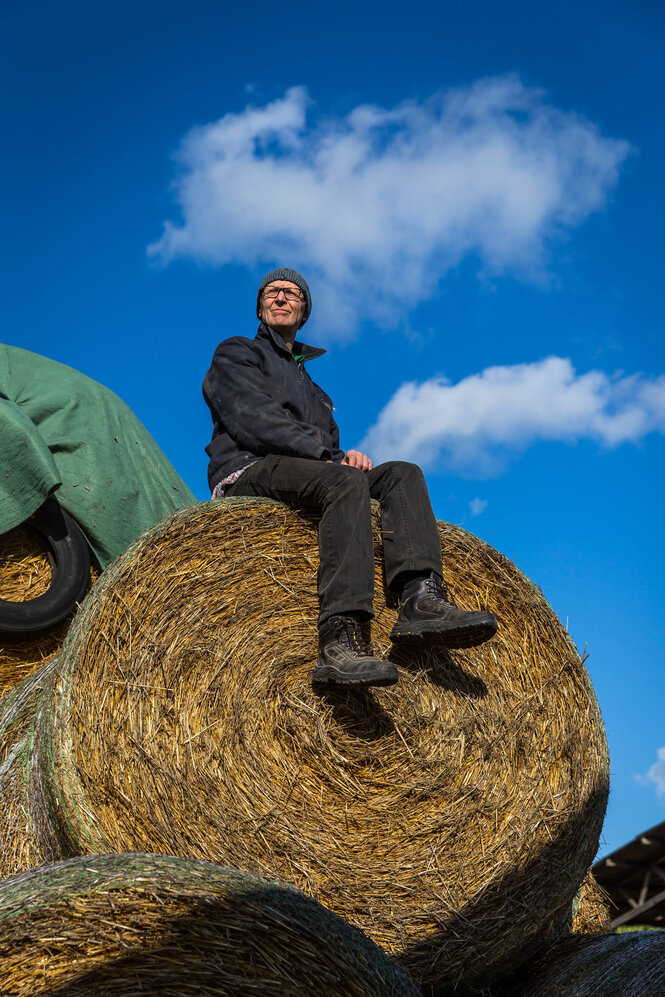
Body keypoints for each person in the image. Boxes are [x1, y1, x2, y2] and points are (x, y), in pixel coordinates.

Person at [203, 268, 497, 689]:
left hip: (308, 469)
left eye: (291, 293)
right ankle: (341, 640)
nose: (281, 298)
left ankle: (421, 600)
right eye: (272, 292)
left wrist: (343, 457)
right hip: (249, 467)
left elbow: (324, 450)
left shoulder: (317, 393)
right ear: (260, 306)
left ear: (303, 311)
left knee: (401, 474)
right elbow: (253, 419)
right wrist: (330, 459)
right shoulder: (238, 352)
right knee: (345, 483)